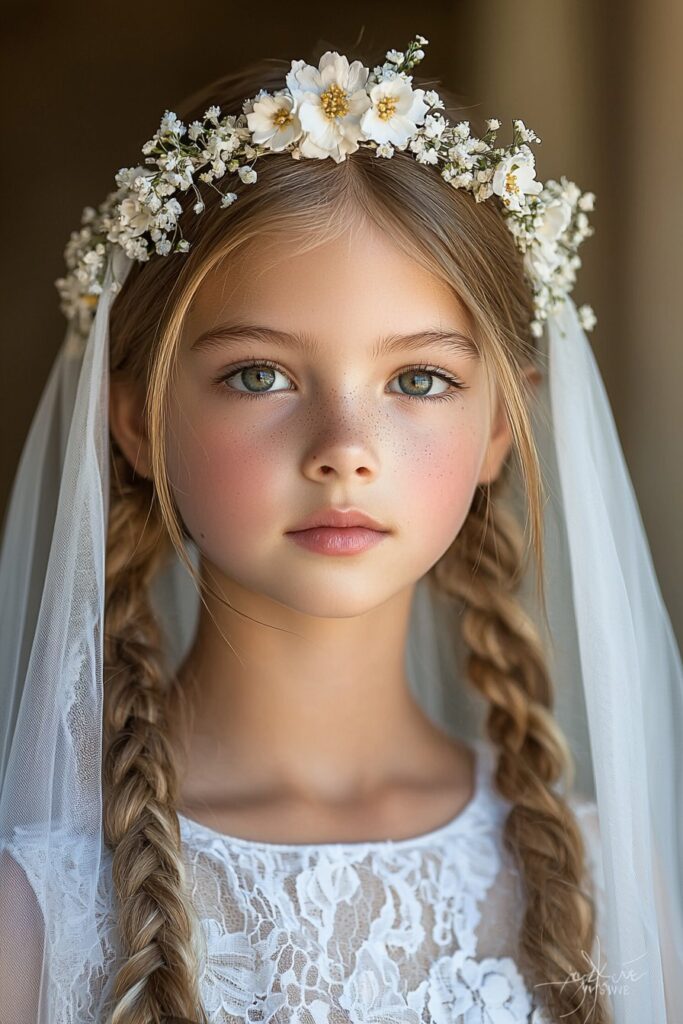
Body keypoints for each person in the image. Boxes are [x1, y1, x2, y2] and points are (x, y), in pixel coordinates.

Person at [0, 33, 680, 1024]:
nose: (343, 449)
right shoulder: (37, 920)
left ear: (499, 423)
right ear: (140, 422)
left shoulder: (614, 896)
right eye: (258, 375)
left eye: (417, 380)